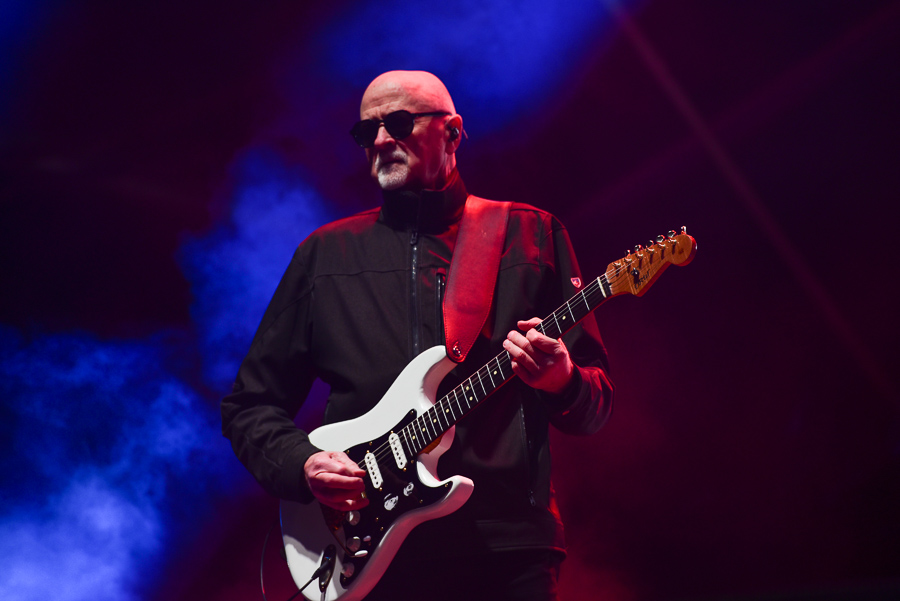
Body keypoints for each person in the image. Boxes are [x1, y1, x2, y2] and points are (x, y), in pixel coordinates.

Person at [221, 70, 614, 601]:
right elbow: (250, 405)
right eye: (367, 131)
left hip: (505, 551)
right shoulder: (325, 256)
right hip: (365, 550)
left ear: (452, 132)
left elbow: (594, 406)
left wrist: (562, 380)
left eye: (400, 123)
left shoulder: (530, 235)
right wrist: (302, 464)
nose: (382, 140)